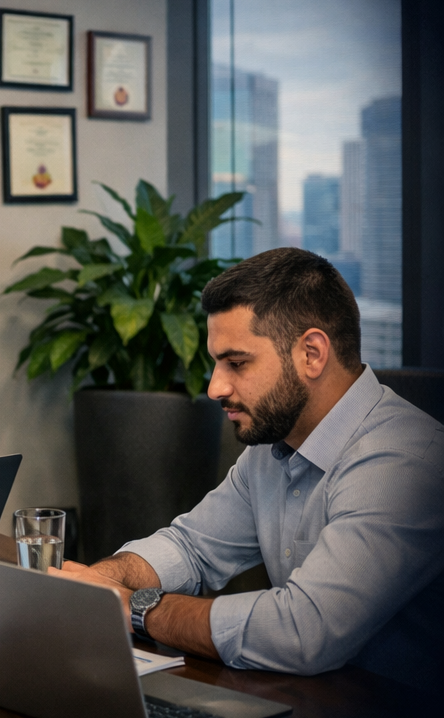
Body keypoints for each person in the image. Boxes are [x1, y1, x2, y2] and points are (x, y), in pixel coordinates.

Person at [55, 248, 444, 689]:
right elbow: (191, 547)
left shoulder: (404, 464)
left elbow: (303, 630)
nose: (216, 387)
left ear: (312, 354)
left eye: (237, 363)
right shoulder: (275, 444)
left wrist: (135, 607)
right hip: (316, 708)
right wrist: (98, 582)